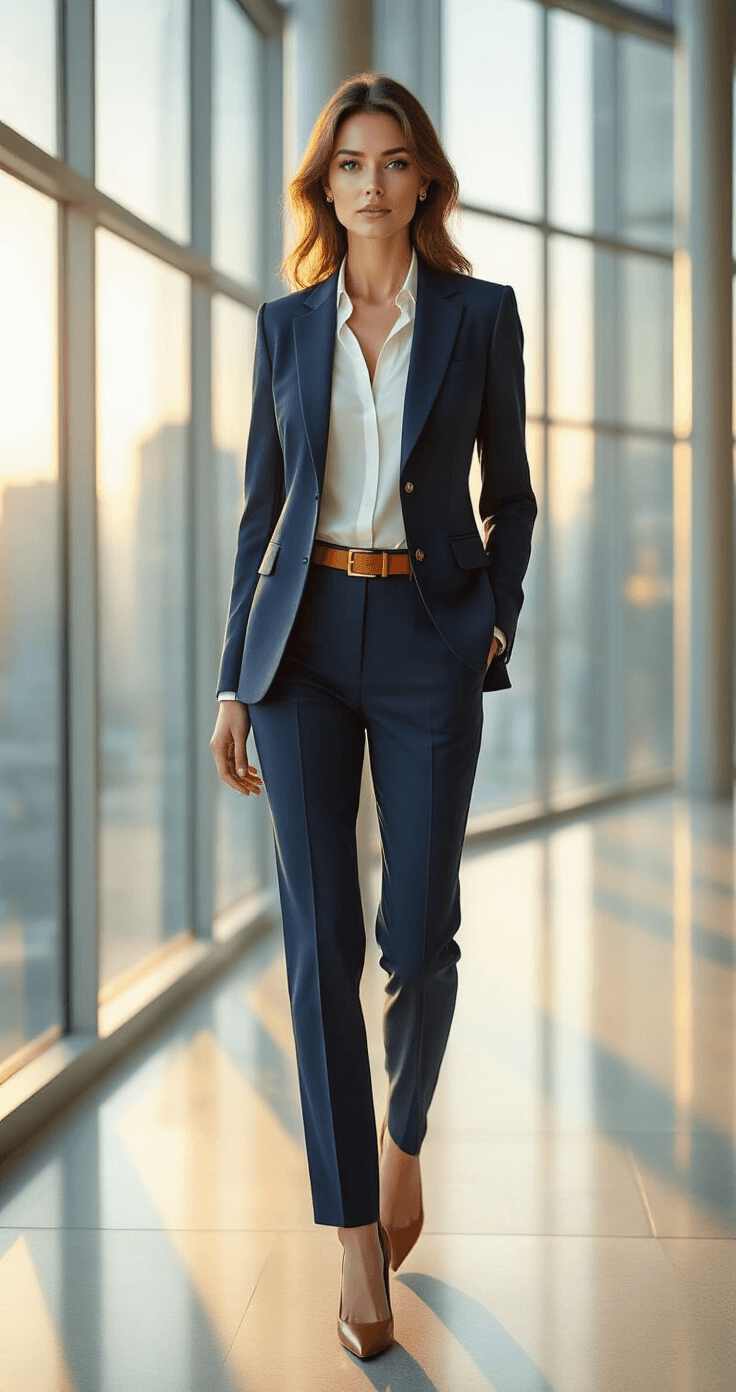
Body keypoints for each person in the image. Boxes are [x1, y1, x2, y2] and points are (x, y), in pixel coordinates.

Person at [209, 71, 537, 1360]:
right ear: (325, 186)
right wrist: (235, 674)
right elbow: (260, 511)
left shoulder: (482, 317)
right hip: (299, 649)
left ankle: (403, 1140)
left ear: (424, 181)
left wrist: (496, 614)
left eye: (395, 164)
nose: (374, 186)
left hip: (423, 637)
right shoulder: (287, 328)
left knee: (418, 925)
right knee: (319, 938)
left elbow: (511, 493)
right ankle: (354, 1237)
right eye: (351, 165)